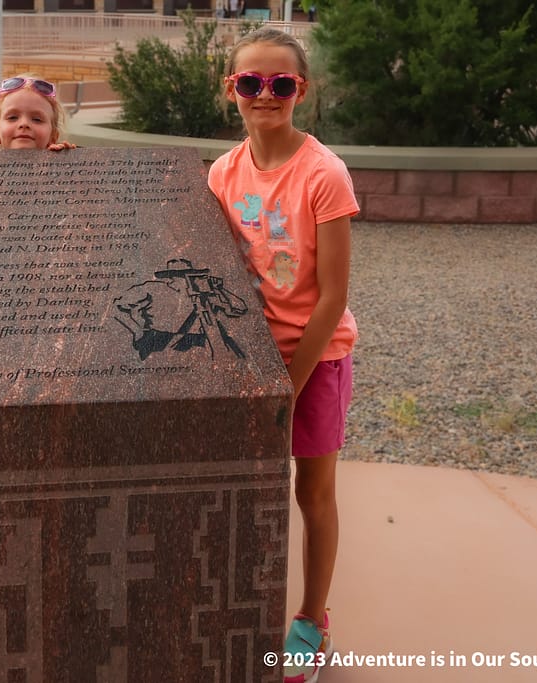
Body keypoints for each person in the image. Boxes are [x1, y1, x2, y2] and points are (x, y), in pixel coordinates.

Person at [207, 26, 359, 683]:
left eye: (280, 83)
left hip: (312, 358)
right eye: (250, 82)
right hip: (249, 355)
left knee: (312, 490)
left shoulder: (323, 172)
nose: (264, 94)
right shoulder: (223, 172)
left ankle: (310, 619)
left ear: (303, 90)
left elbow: (330, 297)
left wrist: (288, 384)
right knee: (240, 487)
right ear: (230, 90)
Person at [0, 74, 76, 152]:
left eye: (37, 119)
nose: (24, 124)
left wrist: (71, 166)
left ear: (53, 136)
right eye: (13, 117)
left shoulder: (63, 169)